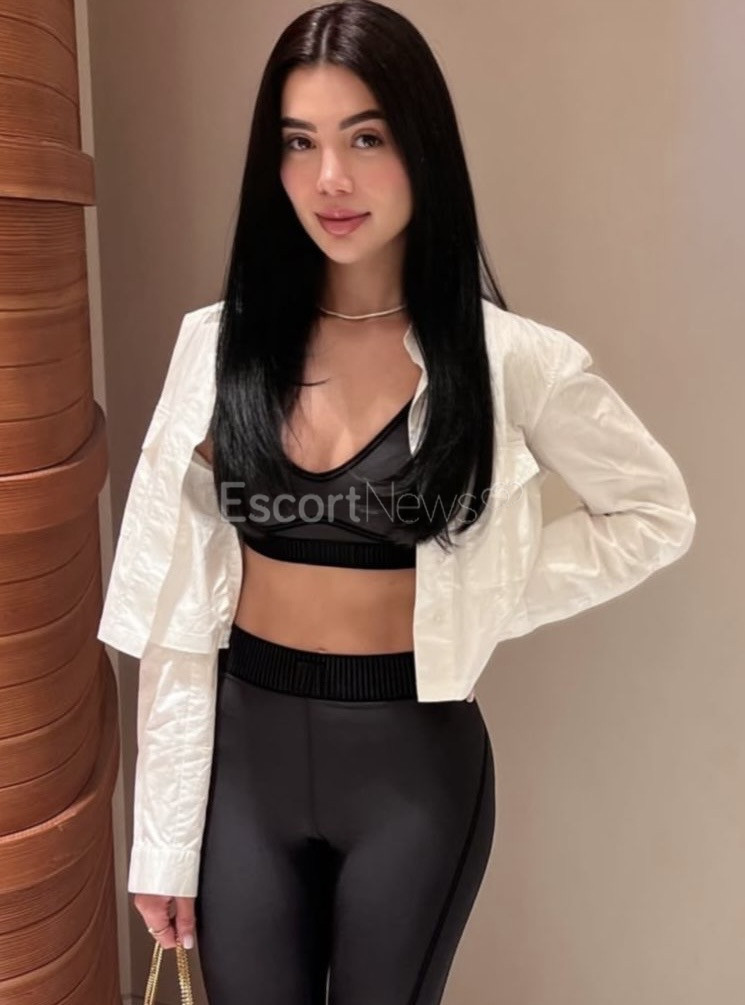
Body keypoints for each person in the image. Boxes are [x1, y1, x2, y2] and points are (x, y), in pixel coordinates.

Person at [97, 2, 696, 1003]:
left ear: (422, 146)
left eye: (365, 137)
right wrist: (160, 841)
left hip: (412, 775)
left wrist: (486, 590)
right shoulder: (216, 347)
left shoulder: (511, 362)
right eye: (299, 142)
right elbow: (178, 612)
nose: (329, 177)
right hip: (243, 767)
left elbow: (653, 514)